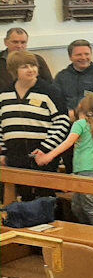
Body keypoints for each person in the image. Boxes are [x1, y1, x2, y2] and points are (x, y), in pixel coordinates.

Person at [32, 94, 93, 226]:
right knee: (77, 205)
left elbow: (68, 143)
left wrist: (49, 156)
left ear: (80, 107)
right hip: (84, 170)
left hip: (87, 171)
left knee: (89, 207)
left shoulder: (80, 124)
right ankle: (86, 230)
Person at [0, 51, 70, 199]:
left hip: (43, 155)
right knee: (23, 198)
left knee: (44, 199)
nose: (31, 70)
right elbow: (1, 126)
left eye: (33, 66)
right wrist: (3, 152)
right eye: (24, 66)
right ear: (14, 70)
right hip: (15, 156)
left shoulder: (50, 91)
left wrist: (45, 149)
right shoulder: (4, 94)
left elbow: (62, 122)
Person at [53, 40, 93, 131]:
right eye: (79, 55)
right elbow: (56, 100)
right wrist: (68, 113)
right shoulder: (61, 77)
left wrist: (80, 112)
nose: (83, 57)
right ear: (70, 57)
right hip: (67, 125)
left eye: (87, 54)